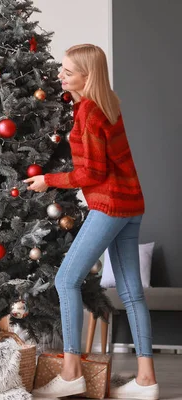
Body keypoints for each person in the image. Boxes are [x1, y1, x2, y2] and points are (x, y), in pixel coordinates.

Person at [26, 44, 158, 400]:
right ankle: (147, 380)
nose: (60, 76)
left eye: (68, 72)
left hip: (111, 205)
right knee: (132, 294)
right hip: (132, 204)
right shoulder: (107, 103)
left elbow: (93, 172)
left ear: (87, 76)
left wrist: (48, 180)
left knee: (66, 279)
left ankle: (71, 373)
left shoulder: (91, 111)